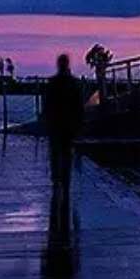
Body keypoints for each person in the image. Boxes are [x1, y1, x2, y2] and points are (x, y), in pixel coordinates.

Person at [41, 53, 85, 216]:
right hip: (68, 126)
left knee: (55, 153)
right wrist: (79, 126)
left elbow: (47, 105)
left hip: (56, 125)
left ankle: (56, 180)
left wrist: (46, 120)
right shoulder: (74, 84)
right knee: (66, 155)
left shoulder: (52, 83)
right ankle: (65, 182)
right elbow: (79, 107)